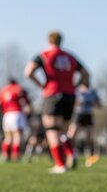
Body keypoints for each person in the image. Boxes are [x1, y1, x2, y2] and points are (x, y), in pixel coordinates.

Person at [24, 31, 90, 173]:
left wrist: (41, 84)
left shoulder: (44, 55)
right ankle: (71, 152)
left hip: (52, 94)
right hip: (70, 95)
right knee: (63, 132)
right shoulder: (70, 57)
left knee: (52, 131)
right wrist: (76, 86)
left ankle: (60, 165)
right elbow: (86, 74)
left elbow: (28, 72)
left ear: (49, 41)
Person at [0, 79, 31, 162]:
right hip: (17, 113)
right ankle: (15, 156)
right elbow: (24, 101)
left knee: (8, 137)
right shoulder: (18, 88)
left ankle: (5, 156)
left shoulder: (2, 90)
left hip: (7, 114)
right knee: (17, 136)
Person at [67, 81, 101, 167]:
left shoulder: (92, 92)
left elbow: (99, 104)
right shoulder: (76, 90)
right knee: (72, 134)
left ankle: (89, 157)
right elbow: (70, 101)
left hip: (88, 115)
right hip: (78, 114)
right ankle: (71, 155)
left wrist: (94, 103)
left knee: (89, 136)